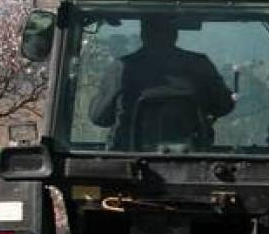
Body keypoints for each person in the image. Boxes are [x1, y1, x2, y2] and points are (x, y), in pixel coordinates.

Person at [89, 15, 234, 150]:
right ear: (174, 35)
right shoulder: (200, 65)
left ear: (143, 35)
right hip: (194, 163)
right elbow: (224, 106)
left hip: (127, 164)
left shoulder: (122, 68)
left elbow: (99, 117)